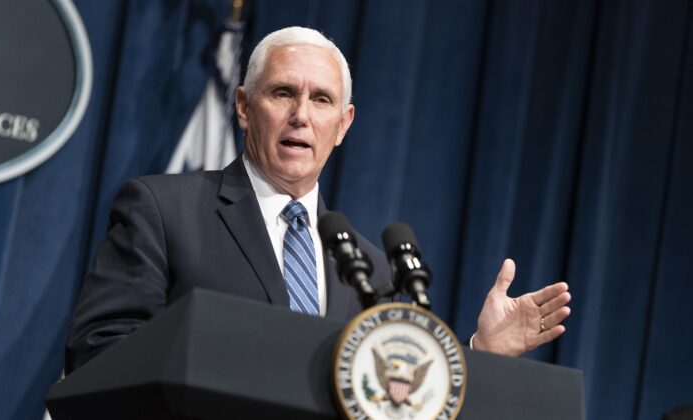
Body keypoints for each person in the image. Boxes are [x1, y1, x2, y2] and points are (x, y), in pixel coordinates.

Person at [65, 26, 571, 373]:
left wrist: (480, 352)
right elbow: (98, 352)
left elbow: (385, 395)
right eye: (283, 93)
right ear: (244, 106)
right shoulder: (164, 208)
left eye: (321, 100)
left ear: (343, 125)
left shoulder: (370, 269)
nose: (301, 116)